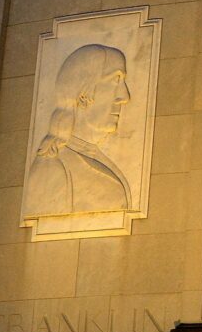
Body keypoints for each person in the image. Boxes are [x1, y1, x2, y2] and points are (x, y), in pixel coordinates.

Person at [23, 44, 132, 218]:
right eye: (115, 80)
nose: (124, 97)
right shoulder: (55, 170)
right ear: (82, 95)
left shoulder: (89, 156)